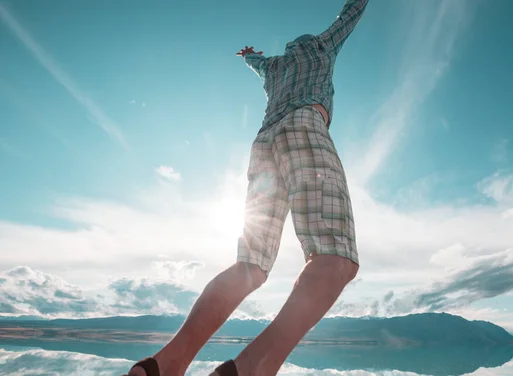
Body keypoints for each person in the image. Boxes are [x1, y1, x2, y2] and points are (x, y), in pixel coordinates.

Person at [126, 1, 369, 375]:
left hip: (263, 144)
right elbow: (349, 14)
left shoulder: (274, 67)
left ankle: (166, 363)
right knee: (336, 257)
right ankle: (251, 368)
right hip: (302, 126)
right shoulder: (320, 47)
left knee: (250, 265)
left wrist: (250, 56)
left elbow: (256, 63)